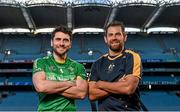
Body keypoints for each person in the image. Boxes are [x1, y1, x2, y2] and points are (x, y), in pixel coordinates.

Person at [88, 21, 143, 111]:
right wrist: (118, 84)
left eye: (118, 34)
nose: (114, 38)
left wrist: (100, 84)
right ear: (105, 39)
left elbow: (128, 88)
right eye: (110, 35)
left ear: (124, 37)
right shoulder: (97, 63)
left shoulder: (132, 57)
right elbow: (92, 94)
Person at [32, 25, 88, 111]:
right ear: (51, 42)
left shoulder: (78, 66)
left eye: (65, 40)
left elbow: (81, 93)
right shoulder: (41, 62)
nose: (61, 43)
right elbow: (41, 87)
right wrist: (70, 83)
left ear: (70, 44)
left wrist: (51, 87)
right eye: (58, 39)